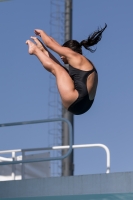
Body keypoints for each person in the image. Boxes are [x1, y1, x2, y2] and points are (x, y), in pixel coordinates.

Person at [26, 24, 107, 115]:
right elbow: (56, 46)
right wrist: (43, 48)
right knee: (61, 70)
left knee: (57, 69)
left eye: (62, 54)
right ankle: (40, 50)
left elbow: (50, 43)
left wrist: (42, 32)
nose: (61, 57)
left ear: (69, 51)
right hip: (85, 105)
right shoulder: (84, 62)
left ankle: (35, 50)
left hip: (76, 99)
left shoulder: (74, 56)